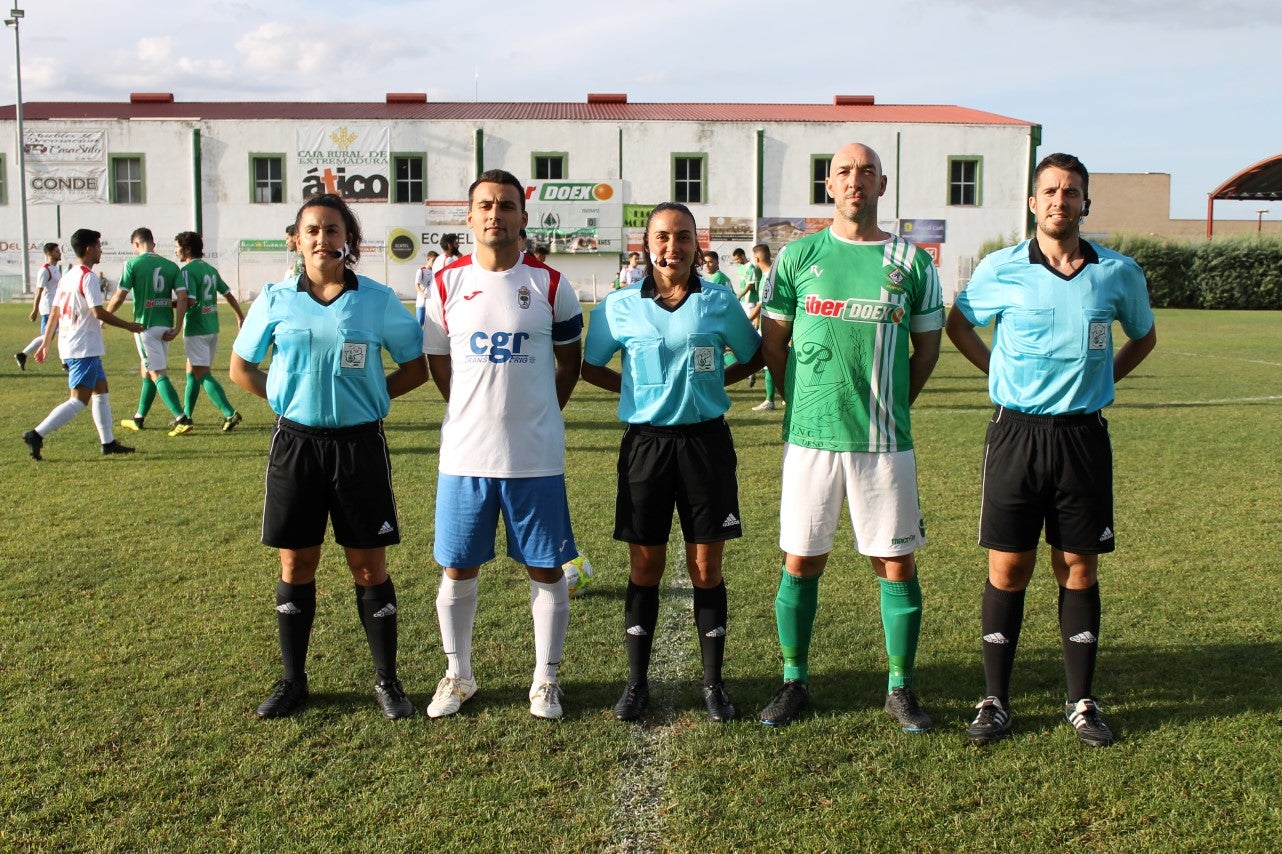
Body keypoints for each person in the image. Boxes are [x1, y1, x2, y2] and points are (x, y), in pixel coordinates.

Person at [945, 152, 1157, 748]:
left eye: (1072, 191)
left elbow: (1144, 335)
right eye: (1050, 190)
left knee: (1078, 567)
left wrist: (1105, 381)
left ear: (1085, 203)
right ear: (1033, 203)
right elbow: (961, 323)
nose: (1060, 200)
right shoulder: (1000, 269)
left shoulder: (1117, 273)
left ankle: (1081, 702)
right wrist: (996, 371)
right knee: (1008, 568)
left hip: (1082, 437)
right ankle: (995, 700)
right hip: (1015, 435)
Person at [757, 142, 943, 731]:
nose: (855, 180)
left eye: (866, 171)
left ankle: (900, 687)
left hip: (884, 442)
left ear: (882, 185)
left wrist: (892, 404)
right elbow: (774, 342)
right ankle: (793, 680)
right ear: (829, 186)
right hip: (810, 439)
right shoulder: (798, 256)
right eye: (844, 171)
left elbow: (928, 348)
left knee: (895, 564)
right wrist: (800, 401)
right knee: (801, 559)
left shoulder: (911, 263)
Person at [229, 193, 428, 720]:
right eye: (313, 230)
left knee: (368, 565)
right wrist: (285, 400)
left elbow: (415, 367)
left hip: (359, 445)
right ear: (296, 240)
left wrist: (373, 397)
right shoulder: (274, 299)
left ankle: (387, 680)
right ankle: (293, 681)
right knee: (297, 561)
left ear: (350, 241)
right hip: (295, 445)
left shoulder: (378, 300)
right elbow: (242, 368)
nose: (323, 239)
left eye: (334, 230)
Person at [582, 203, 764, 723]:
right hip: (646, 446)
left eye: (682, 237)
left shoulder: (719, 302)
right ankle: (636, 684)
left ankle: (714, 685)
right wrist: (635, 392)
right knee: (646, 565)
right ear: (646, 244)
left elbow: (752, 355)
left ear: (695, 245)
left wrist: (711, 385)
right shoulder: (618, 306)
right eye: (662, 237)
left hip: (706, 444)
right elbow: (589, 365)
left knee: (706, 568)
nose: (672, 247)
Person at [421, 169, 583, 721]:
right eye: (485, 205)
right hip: (464, 455)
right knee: (457, 568)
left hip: (533, 456)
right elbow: (439, 362)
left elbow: (570, 363)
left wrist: (537, 411)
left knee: (546, 569)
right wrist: (471, 409)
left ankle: (545, 680)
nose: (496, 215)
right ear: (469, 217)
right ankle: (458, 674)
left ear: (523, 216)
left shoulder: (551, 286)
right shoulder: (445, 284)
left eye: (507, 206)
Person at [21, 229, 143, 460]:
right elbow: (98, 312)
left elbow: (55, 312)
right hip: (82, 346)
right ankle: (36, 434)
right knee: (78, 400)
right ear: (89, 249)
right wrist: (129, 325)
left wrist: (46, 343)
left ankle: (108, 443)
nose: (101, 250)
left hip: (77, 344)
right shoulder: (88, 276)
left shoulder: (67, 275)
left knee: (101, 391)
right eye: (98, 246)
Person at [107, 227, 190, 434]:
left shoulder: (132, 264)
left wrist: (105, 314)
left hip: (144, 326)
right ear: (153, 243)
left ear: (136, 244)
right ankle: (139, 418)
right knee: (148, 372)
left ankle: (182, 418)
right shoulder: (171, 266)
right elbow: (182, 298)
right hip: (165, 327)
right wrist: (178, 325)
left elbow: (119, 296)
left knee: (156, 372)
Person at [172, 231, 246, 435]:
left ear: (187, 249)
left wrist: (165, 305)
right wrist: (239, 316)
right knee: (192, 374)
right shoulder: (210, 269)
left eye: (177, 247)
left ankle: (229, 412)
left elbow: (191, 301)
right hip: (212, 327)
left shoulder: (187, 270)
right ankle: (186, 416)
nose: (175, 251)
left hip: (196, 329)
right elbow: (227, 293)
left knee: (202, 374)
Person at [15, 242, 62, 371]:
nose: (60, 253)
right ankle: (23, 354)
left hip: (56, 307)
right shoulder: (45, 270)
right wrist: (35, 309)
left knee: (56, 334)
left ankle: (22, 355)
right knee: (50, 335)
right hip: (48, 308)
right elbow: (39, 290)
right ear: (49, 253)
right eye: (57, 251)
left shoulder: (55, 269)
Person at [747, 244, 778, 409]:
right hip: (770, 323)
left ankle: (770, 400)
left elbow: (761, 304)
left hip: (773, 325)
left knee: (769, 361)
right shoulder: (772, 274)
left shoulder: (768, 277)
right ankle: (773, 398)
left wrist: (746, 320)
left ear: (756, 259)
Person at [415, 250, 439, 326]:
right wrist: (422, 293)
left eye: (436, 260)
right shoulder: (421, 271)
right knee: (420, 323)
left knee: (432, 325)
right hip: (422, 302)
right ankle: (418, 337)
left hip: (432, 302)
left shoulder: (436, 272)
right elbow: (416, 284)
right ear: (428, 260)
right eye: (433, 260)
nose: (435, 262)